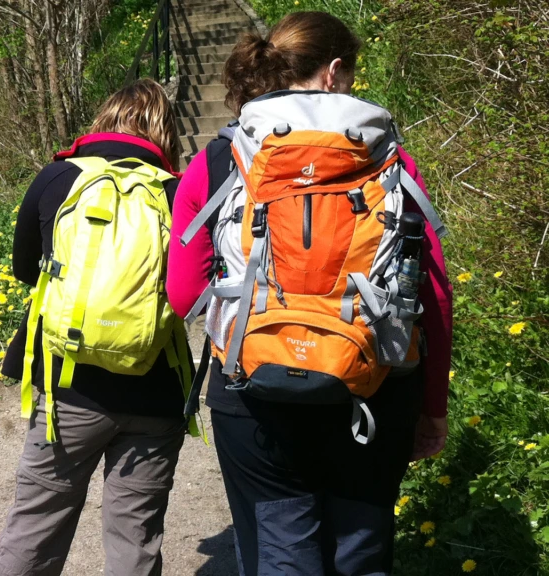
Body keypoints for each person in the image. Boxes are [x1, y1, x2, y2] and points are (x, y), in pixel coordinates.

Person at [166, 12, 453, 575]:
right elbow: (434, 298)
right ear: (335, 71)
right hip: (374, 388)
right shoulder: (388, 159)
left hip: (256, 391)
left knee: (280, 550)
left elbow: (183, 293)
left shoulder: (220, 160)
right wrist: (431, 410)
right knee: (360, 552)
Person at [0, 79, 194, 576]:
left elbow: (24, 268)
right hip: (155, 391)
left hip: (68, 389)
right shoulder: (178, 190)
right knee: (135, 535)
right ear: (164, 131)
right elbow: (190, 291)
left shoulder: (57, 178)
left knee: (37, 524)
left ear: (104, 119)